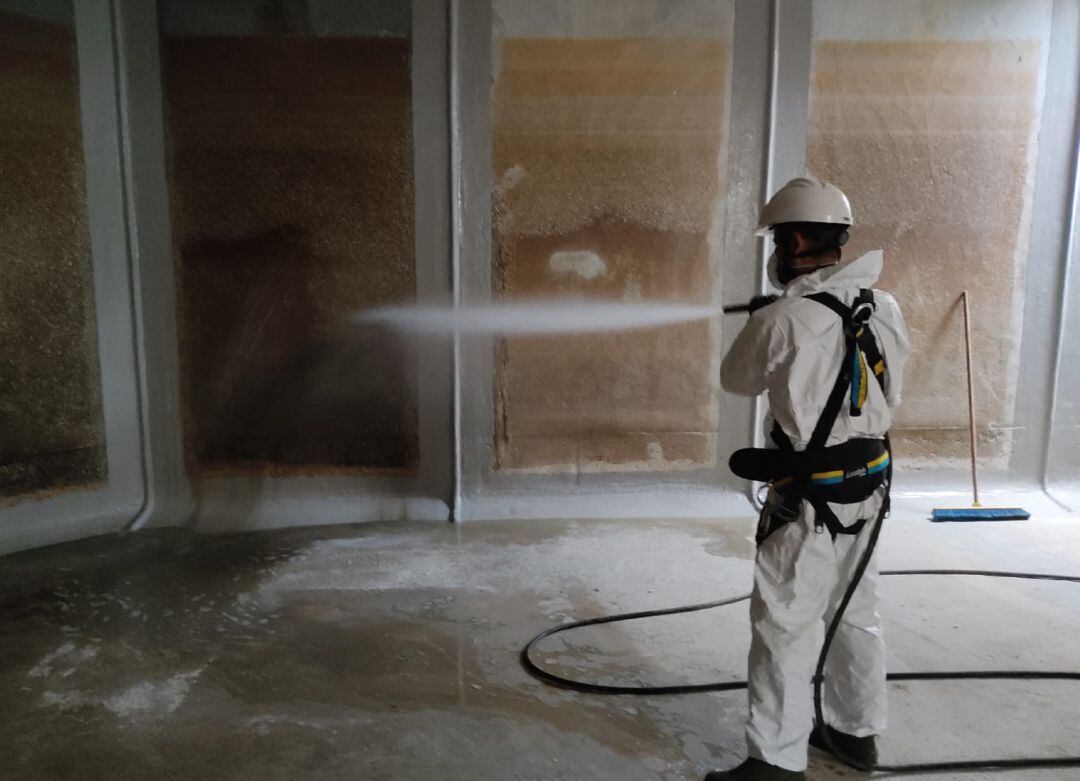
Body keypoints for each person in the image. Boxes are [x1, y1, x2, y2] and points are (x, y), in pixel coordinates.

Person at [708, 175, 910, 781]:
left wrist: (772, 323)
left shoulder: (786, 319)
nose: (773, 250)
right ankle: (855, 735)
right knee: (857, 613)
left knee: (785, 624)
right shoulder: (886, 306)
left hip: (807, 504)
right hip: (868, 491)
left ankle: (773, 763)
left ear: (795, 239)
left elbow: (736, 379)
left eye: (776, 238)